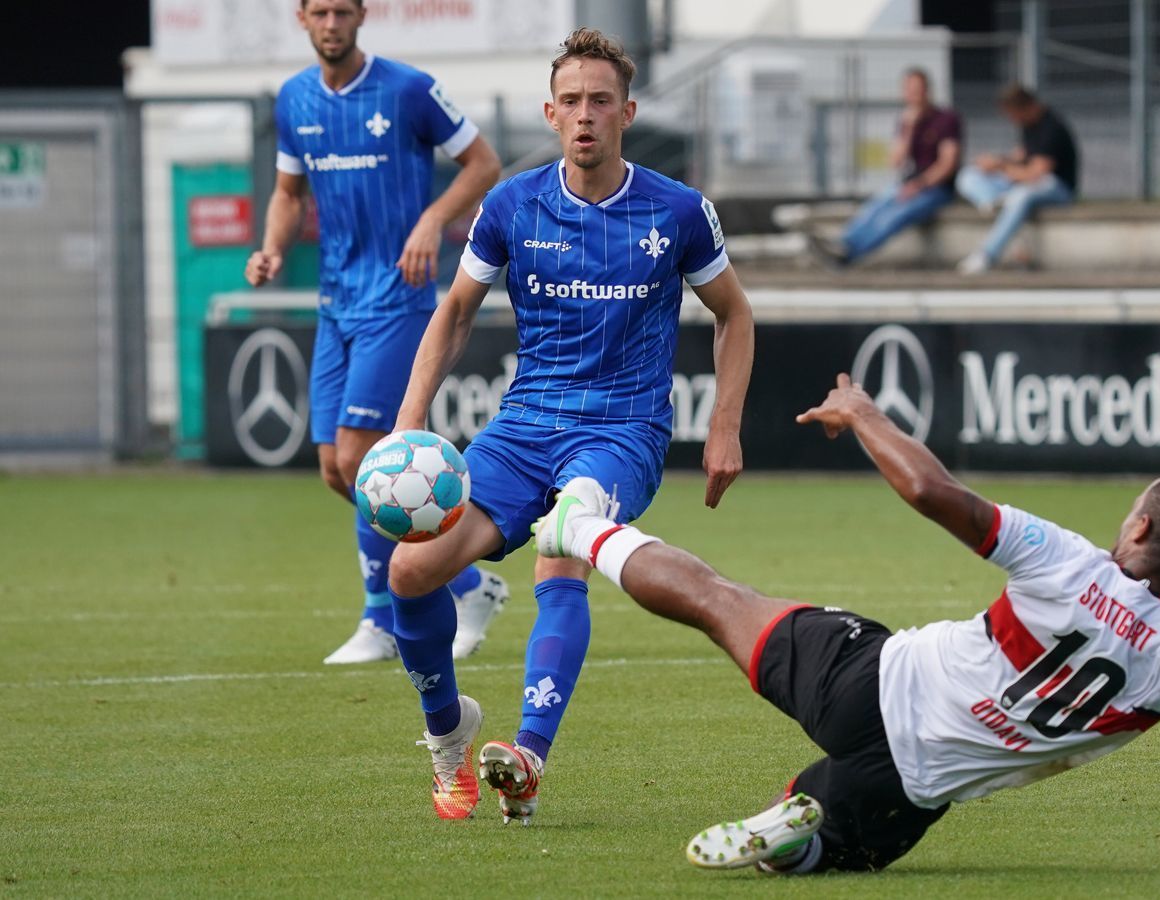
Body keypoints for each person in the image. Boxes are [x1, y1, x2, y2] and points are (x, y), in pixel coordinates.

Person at [531, 374, 1160, 880]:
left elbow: (930, 489)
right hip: (911, 787)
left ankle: (577, 524)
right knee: (845, 851)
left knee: (713, 597)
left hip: (864, 680)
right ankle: (800, 832)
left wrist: (862, 412)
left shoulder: (1064, 561)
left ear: (1138, 527)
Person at [385, 28, 754, 824]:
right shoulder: (512, 205)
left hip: (622, 433)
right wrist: (408, 427)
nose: (585, 116)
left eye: (600, 101)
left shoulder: (678, 210)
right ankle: (451, 739)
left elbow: (734, 315)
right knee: (409, 576)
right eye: (571, 102)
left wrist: (723, 426)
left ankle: (527, 755)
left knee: (564, 539)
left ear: (626, 111)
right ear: (550, 114)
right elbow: (454, 311)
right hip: (523, 428)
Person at [245, 0, 510, 666]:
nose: (331, 22)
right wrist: (273, 247)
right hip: (336, 304)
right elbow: (287, 191)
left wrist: (431, 223)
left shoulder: (409, 90)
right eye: (318, 12)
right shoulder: (294, 99)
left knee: (366, 459)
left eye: (342, 10)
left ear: (361, 16)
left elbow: (483, 164)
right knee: (338, 470)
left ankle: (383, 617)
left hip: (399, 299)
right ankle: (471, 582)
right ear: (301, 20)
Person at [810, 68, 961, 267]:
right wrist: (908, 129)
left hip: (936, 188)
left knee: (895, 216)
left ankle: (848, 256)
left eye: (917, 90)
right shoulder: (907, 121)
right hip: (909, 183)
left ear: (927, 91)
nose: (913, 95)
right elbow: (895, 162)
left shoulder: (946, 119)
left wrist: (920, 184)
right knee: (875, 207)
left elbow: (948, 164)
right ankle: (842, 244)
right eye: (909, 90)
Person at [954, 84, 1079, 275]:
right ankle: (993, 202)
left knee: (1020, 196)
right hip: (1024, 183)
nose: (1012, 120)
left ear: (1025, 108)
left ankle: (987, 254)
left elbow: (1036, 174)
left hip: (1057, 188)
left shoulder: (1051, 127)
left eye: (1013, 115)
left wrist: (1003, 167)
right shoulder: (1028, 126)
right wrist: (995, 162)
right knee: (967, 176)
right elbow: (1020, 156)